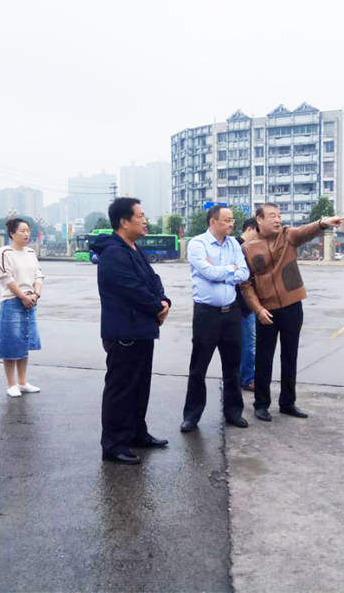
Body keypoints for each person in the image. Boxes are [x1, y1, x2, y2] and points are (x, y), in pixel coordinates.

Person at [240, 204, 343, 421]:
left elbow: (306, 231)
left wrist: (322, 223)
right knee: (264, 359)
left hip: (292, 306)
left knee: (290, 356)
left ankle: (288, 403)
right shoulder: (247, 248)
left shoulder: (288, 236)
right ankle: (261, 404)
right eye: (272, 216)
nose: (278, 220)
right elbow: (246, 284)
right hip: (266, 310)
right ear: (259, 219)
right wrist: (258, 309)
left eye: (279, 216)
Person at [91, 198, 171, 465]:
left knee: (139, 386)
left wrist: (164, 301)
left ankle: (137, 433)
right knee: (121, 389)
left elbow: (153, 280)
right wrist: (157, 307)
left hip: (142, 329)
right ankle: (113, 445)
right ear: (124, 222)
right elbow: (132, 289)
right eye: (140, 216)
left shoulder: (134, 248)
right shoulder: (113, 253)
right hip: (124, 332)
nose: (145, 220)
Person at [180, 205, 250, 433]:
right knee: (198, 368)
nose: (232, 224)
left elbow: (244, 273)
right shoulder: (197, 244)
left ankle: (233, 412)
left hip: (231, 313)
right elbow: (207, 273)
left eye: (232, 220)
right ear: (213, 221)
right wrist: (230, 270)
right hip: (206, 315)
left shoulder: (234, 245)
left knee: (232, 367)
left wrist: (223, 271)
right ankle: (191, 416)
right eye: (227, 220)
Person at [0, 217, 45, 398]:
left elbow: (38, 275)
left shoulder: (31, 252)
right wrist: (22, 296)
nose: (26, 234)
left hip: (30, 302)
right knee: (10, 343)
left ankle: (23, 382)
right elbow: (6, 277)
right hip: (12, 302)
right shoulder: (5, 252)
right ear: (12, 233)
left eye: (28, 230)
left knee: (24, 342)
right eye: (22, 231)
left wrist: (35, 294)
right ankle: (11, 384)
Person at [236, 217, 259, 392]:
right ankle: (247, 378)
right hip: (242, 306)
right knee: (248, 344)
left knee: (247, 343)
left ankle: (243, 376)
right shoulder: (237, 246)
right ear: (250, 229)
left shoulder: (250, 248)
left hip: (249, 305)